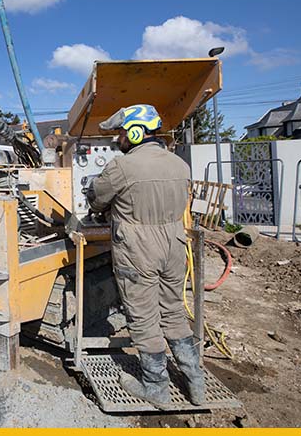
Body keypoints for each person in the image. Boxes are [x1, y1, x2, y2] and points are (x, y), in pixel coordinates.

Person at [85, 104, 205, 409]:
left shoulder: (122, 166)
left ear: (136, 132)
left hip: (139, 249)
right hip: (174, 246)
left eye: (123, 133)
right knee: (173, 311)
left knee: (143, 317)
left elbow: (98, 200)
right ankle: (196, 383)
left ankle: (156, 388)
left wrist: (95, 195)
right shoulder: (180, 164)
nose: (120, 139)